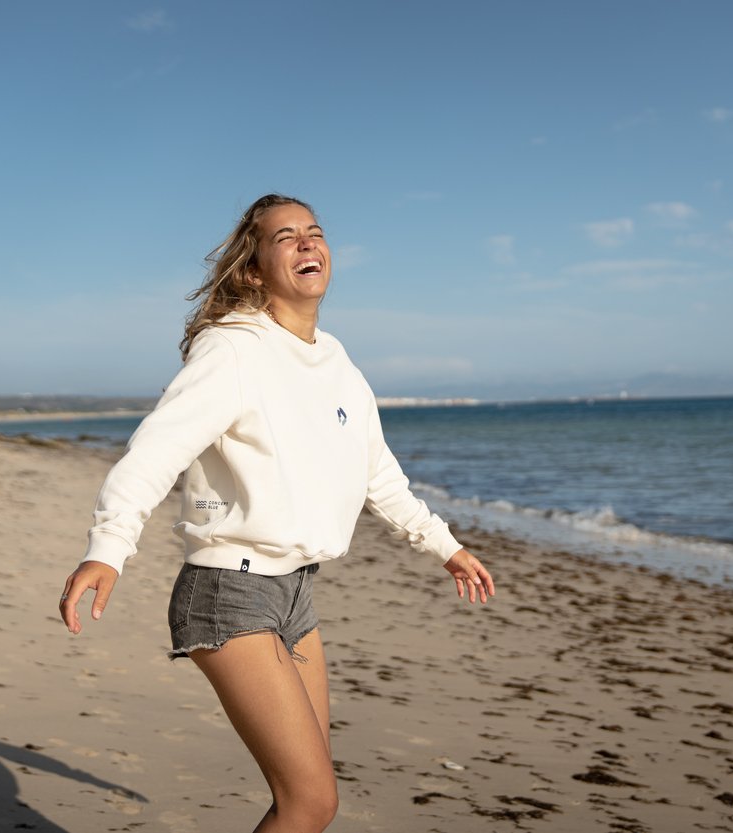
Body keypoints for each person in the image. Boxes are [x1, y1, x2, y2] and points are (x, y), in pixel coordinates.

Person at [58, 194, 496, 833]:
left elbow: (377, 473)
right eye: (285, 236)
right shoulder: (232, 350)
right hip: (228, 592)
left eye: (314, 232)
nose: (307, 242)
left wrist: (444, 545)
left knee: (310, 801)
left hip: (297, 596)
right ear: (254, 269)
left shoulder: (338, 362)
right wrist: (108, 548)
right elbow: (154, 453)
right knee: (309, 802)